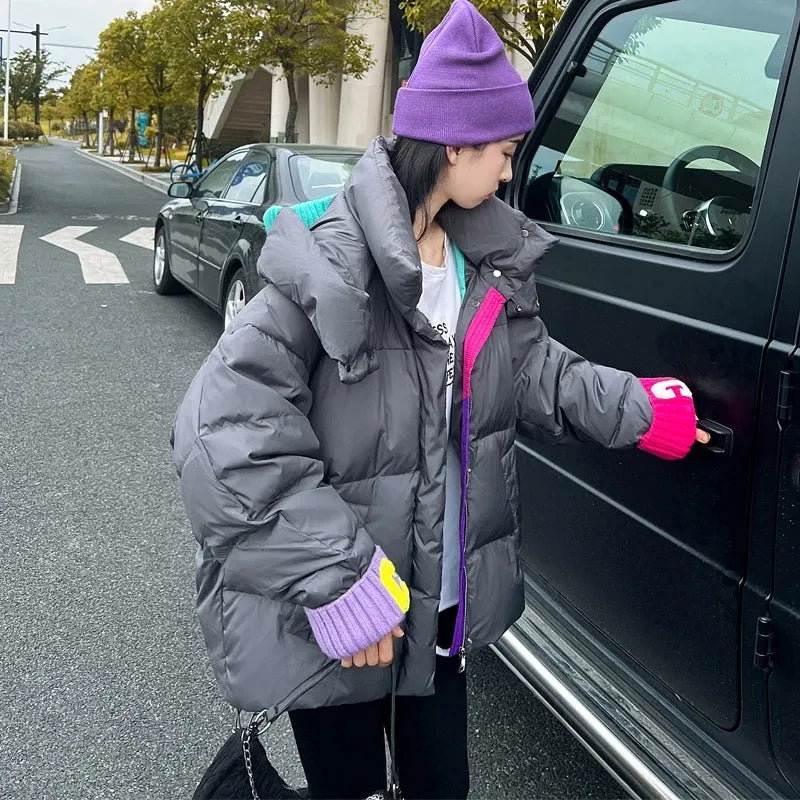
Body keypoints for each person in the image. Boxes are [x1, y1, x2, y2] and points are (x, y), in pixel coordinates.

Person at [171, 2, 710, 797]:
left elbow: (539, 373)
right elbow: (219, 436)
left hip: (442, 603)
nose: (506, 171)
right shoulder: (325, 261)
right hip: (347, 615)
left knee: (440, 787)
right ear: (452, 144)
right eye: (501, 151)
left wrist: (643, 409)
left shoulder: (477, 261)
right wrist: (340, 580)